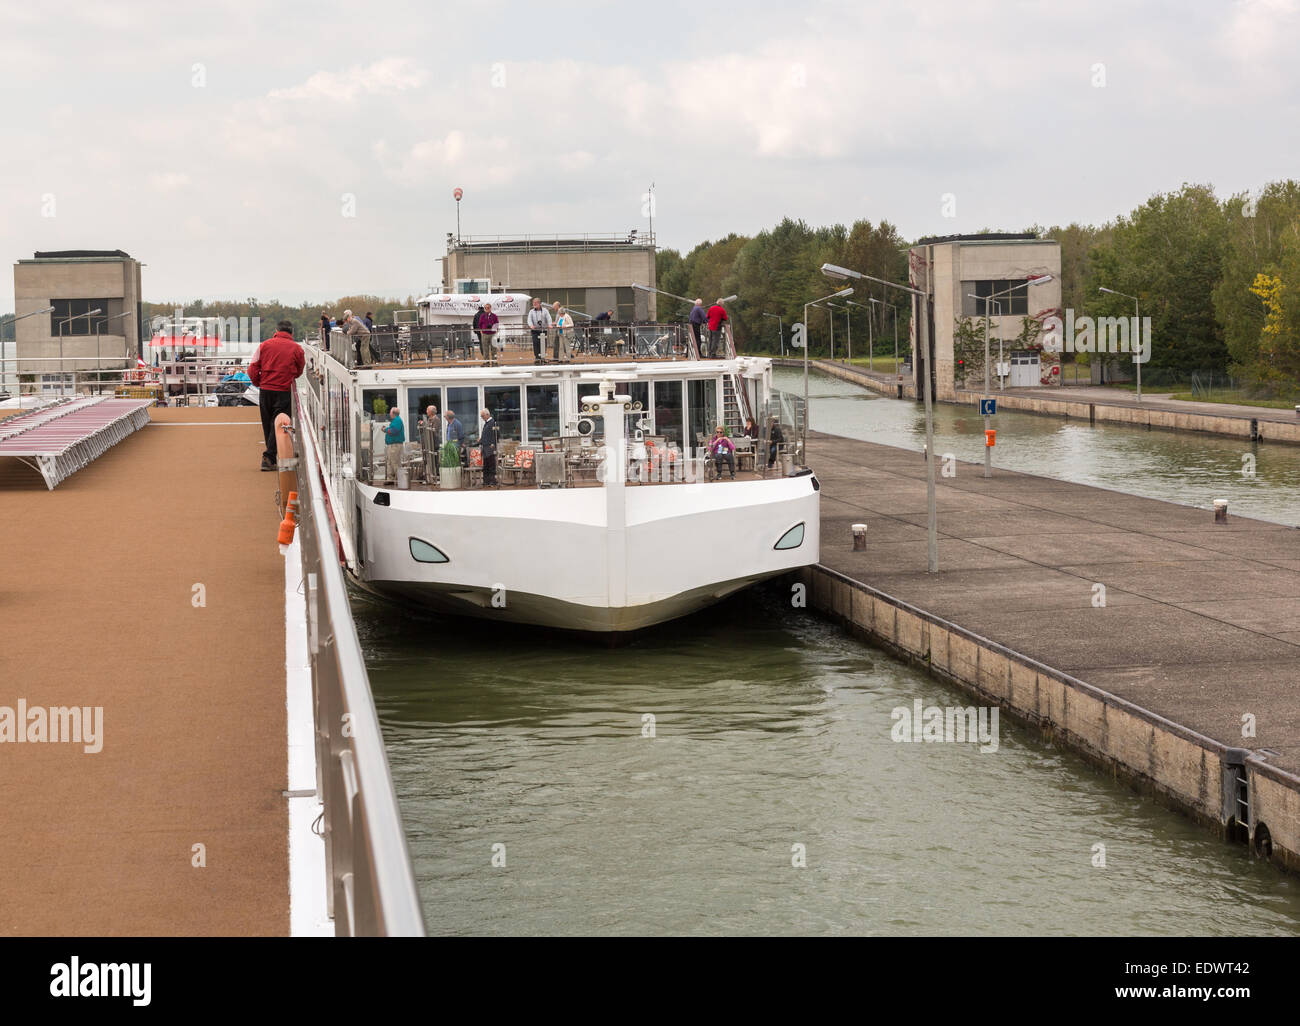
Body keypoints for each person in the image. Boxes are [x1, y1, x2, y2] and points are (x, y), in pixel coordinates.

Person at [248, 320, 305, 472]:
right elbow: (300, 370)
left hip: (265, 390)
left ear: (276, 330)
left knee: (268, 424)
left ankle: (270, 456)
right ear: (291, 332)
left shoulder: (264, 345)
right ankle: (268, 457)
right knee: (278, 423)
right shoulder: (297, 349)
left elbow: (252, 368)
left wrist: (258, 382)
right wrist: (291, 376)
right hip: (284, 390)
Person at [479, 407, 500, 487]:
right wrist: (481, 439)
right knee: (486, 465)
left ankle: (492, 481)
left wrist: (493, 443)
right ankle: (486, 481)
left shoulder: (493, 422)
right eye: (481, 416)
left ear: (487, 415)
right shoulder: (487, 423)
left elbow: (497, 434)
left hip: (490, 448)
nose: (482, 418)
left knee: (491, 465)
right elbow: (486, 435)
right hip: (485, 447)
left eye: (483, 416)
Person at [527, 297, 552, 363]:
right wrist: (531, 325)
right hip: (535, 330)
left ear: (539, 303)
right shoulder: (531, 311)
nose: (534, 304)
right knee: (536, 343)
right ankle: (537, 358)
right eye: (533, 303)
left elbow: (549, 318)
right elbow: (529, 320)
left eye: (535, 303)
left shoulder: (545, 310)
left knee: (543, 344)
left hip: (543, 330)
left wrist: (550, 324)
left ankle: (543, 357)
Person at [384, 408, 405, 483]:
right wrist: (387, 429)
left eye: (390, 412)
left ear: (393, 413)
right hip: (392, 444)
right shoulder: (396, 420)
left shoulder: (397, 420)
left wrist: (385, 430)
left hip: (395, 445)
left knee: (395, 462)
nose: (389, 414)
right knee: (390, 462)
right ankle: (390, 479)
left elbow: (394, 431)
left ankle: (400, 479)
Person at [423, 404, 440, 482]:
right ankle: (429, 476)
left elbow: (434, 431)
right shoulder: (428, 419)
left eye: (427, 410)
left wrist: (427, 427)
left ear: (431, 412)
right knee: (429, 461)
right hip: (428, 444)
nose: (426, 411)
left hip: (433, 443)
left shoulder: (436, 419)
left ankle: (436, 476)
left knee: (435, 461)